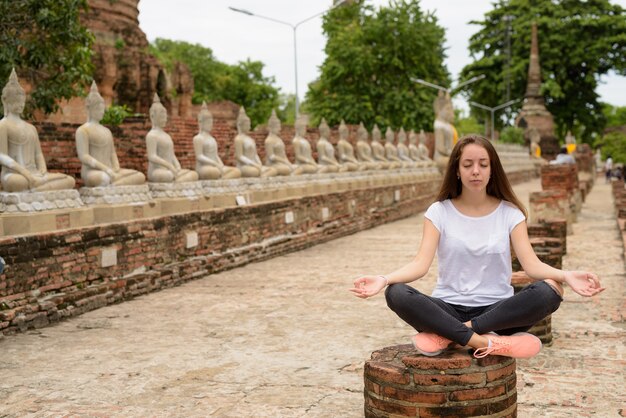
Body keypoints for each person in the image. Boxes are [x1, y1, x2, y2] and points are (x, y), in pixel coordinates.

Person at [350, 134, 604, 359]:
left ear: (492, 170)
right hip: (447, 309)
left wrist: (567, 276)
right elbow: (420, 265)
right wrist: (383, 279)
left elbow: (532, 265)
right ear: (457, 170)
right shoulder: (439, 212)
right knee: (396, 293)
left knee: (550, 290)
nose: (475, 171)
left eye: (483, 165)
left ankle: (451, 336)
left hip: (498, 312)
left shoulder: (510, 213)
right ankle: (486, 342)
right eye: (468, 164)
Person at [76, 82, 146, 187]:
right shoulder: (83, 130)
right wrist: (106, 169)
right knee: (104, 178)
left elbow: (112, 153)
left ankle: (116, 183)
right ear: (89, 109)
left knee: (140, 176)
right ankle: (117, 184)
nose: (102, 112)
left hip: (111, 170)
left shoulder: (107, 131)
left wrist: (116, 168)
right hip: (93, 172)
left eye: (103, 109)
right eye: (98, 109)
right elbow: (84, 157)